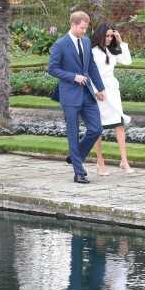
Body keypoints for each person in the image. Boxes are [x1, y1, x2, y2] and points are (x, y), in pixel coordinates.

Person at [48, 11, 106, 184]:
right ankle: (78, 172)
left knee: (96, 129)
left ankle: (75, 156)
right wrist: (74, 77)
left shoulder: (86, 42)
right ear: (73, 25)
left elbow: (91, 66)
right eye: (82, 28)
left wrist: (100, 88)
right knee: (73, 134)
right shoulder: (60, 45)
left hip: (87, 93)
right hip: (69, 96)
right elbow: (52, 68)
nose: (84, 31)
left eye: (86, 28)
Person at [91, 22, 135, 176]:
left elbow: (127, 61)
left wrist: (120, 40)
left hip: (112, 91)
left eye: (111, 36)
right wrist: (96, 91)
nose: (109, 39)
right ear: (100, 35)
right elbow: (90, 73)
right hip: (99, 92)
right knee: (97, 128)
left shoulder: (112, 51)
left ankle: (124, 160)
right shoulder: (93, 52)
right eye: (107, 36)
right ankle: (100, 161)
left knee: (120, 124)